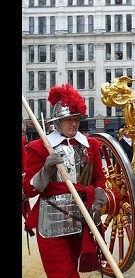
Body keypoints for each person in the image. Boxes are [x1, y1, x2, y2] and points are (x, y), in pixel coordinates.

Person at [22, 84, 107, 277]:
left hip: (81, 219)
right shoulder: (39, 147)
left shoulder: (91, 145)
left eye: (76, 119)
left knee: (71, 268)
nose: (74, 124)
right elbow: (29, 190)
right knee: (62, 274)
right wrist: (45, 170)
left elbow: (99, 178)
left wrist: (100, 193)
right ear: (57, 122)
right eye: (68, 119)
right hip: (52, 220)